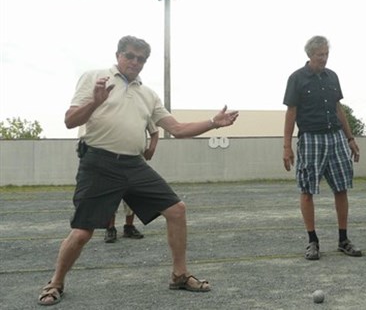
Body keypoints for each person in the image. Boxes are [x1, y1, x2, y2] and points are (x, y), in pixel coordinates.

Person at [37, 35, 239, 306]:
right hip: (99, 163)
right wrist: (95, 102)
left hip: (134, 164)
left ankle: (179, 274)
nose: (135, 62)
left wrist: (213, 122)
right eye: (130, 56)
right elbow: (69, 120)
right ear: (118, 55)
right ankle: (55, 282)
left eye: (141, 59)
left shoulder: (148, 94)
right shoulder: (95, 78)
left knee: (176, 210)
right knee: (83, 231)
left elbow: (177, 129)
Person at [282, 35, 362, 261]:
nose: (324, 59)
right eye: (320, 55)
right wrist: (287, 146)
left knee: (342, 188)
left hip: (335, 137)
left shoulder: (332, 77)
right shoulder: (296, 79)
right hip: (310, 139)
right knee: (307, 190)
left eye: (326, 54)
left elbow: (338, 108)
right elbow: (291, 112)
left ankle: (343, 239)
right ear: (310, 55)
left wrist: (350, 138)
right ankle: (312, 241)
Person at [104, 125, 159, 242]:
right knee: (111, 196)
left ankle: (129, 227)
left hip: (135, 161)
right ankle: (110, 229)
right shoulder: (111, 111)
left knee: (132, 195)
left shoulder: (142, 109)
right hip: (111, 161)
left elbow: (154, 131)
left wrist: (151, 149)